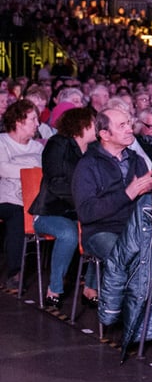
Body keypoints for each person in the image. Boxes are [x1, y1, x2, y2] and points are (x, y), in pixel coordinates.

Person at [72, 108, 152, 300]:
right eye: (122, 126)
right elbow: (86, 212)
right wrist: (128, 193)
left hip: (134, 231)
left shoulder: (137, 160)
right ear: (104, 134)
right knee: (127, 256)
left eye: (128, 123)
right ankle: (124, 312)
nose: (129, 129)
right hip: (101, 231)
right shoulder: (87, 165)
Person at [29, 107, 97, 308]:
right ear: (81, 125)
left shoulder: (93, 151)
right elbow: (56, 182)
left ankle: (91, 287)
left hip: (80, 212)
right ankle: (54, 288)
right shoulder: (57, 144)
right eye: (94, 123)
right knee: (68, 234)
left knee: (103, 230)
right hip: (50, 211)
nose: (98, 127)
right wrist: (84, 203)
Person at [0, 99, 45, 291]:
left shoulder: (38, 148)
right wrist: (32, 169)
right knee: (18, 214)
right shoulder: (2, 142)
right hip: (6, 199)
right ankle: (14, 273)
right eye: (33, 119)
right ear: (19, 121)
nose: (38, 124)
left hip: (33, 201)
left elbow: (45, 173)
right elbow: (3, 169)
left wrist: (31, 171)